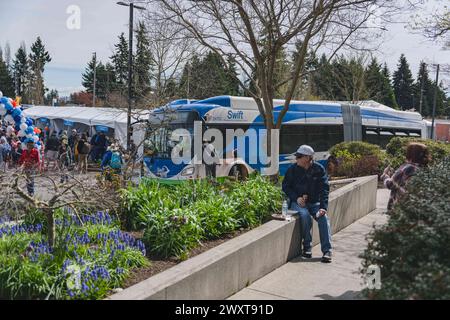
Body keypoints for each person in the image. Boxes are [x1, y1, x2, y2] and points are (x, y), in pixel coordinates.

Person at [282, 145, 332, 263]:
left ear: (307, 158)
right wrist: (297, 198)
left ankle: (327, 251)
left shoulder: (319, 169)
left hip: (315, 203)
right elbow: (285, 187)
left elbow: (325, 189)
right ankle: (307, 247)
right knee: (304, 215)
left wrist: (323, 208)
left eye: (299, 156)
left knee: (323, 218)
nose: (296, 159)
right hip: (298, 203)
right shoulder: (292, 169)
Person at [380, 142, 430, 211]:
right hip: (417, 205)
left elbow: (390, 184)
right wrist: (393, 175)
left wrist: (385, 176)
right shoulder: (425, 168)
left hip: (401, 206)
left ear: (411, 154)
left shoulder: (408, 167)